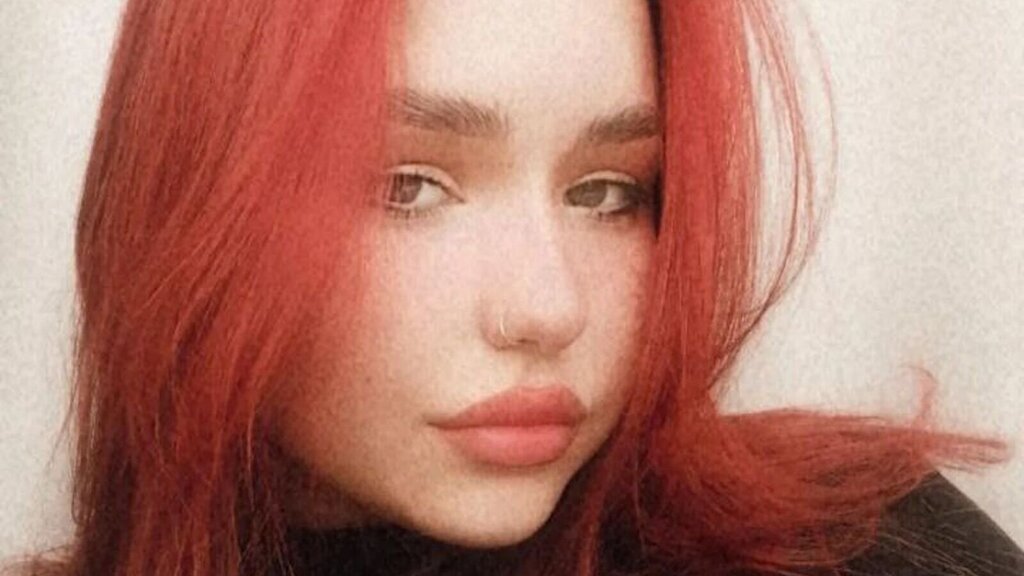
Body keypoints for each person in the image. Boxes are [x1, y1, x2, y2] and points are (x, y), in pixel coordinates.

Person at [6, 1, 1022, 575]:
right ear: (194, 204)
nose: (548, 308)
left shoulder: (862, 545)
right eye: (408, 186)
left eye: (608, 192)